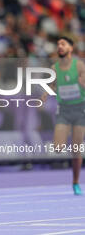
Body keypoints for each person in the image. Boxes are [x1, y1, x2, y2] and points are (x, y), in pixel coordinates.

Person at [42, 36, 85, 195]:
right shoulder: (54, 67)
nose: (59, 46)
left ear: (70, 48)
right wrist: (46, 94)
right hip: (64, 111)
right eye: (58, 44)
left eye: (63, 44)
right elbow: (52, 84)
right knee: (58, 148)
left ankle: (75, 182)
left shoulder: (79, 65)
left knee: (76, 149)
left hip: (79, 110)